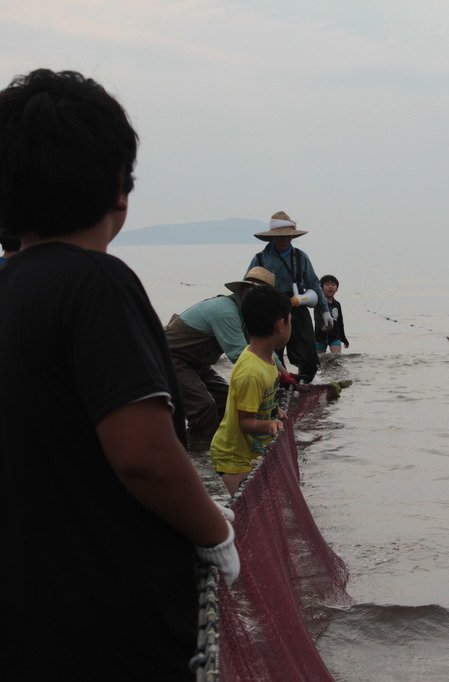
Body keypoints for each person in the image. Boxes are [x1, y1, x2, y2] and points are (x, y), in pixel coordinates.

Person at [0, 68, 238, 680]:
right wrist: (214, 530)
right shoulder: (98, 284)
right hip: (111, 626)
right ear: (119, 190)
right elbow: (144, 455)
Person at [165, 266, 277, 451]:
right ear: (242, 290)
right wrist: (265, 379)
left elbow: (261, 348)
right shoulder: (225, 310)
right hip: (171, 359)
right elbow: (240, 355)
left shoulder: (247, 316)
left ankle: (214, 446)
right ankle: (197, 456)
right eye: (252, 293)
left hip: (197, 364)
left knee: (227, 400)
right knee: (203, 407)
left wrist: (282, 372)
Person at [210, 285, 293, 496]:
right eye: (290, 320)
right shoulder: (251, 372)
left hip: (249, 451)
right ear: (280, 324)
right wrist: (269, 425)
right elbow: (245, 422)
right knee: (251, 508)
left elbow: (264, 398)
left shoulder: (267, 358)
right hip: (233, 456)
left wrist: (275, 411)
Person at [248, 211, 330, 383]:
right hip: (270, 312)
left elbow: (314, 284)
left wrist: (324, 311)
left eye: (288, 237)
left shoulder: (301, 257)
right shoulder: (260, 259)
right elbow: (248, 288)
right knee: (269, 358)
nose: (285, 241)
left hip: (298, 308)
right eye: (281, 237)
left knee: (308, 359)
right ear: (272, 238)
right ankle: (276, 391)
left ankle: (301, 385)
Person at [316, 274, 350, 354]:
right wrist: (321, 326)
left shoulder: (337, 304)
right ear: (321, 288)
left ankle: (334, 367)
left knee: (336, 357)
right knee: (320, 359)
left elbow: (340, 322)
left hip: (335, 336)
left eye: (333, 285)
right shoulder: (318, 303)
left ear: (337, 289)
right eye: (327, 285)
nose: (330, 287)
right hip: (320, 336)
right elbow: (316, 317)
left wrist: (343, 338)